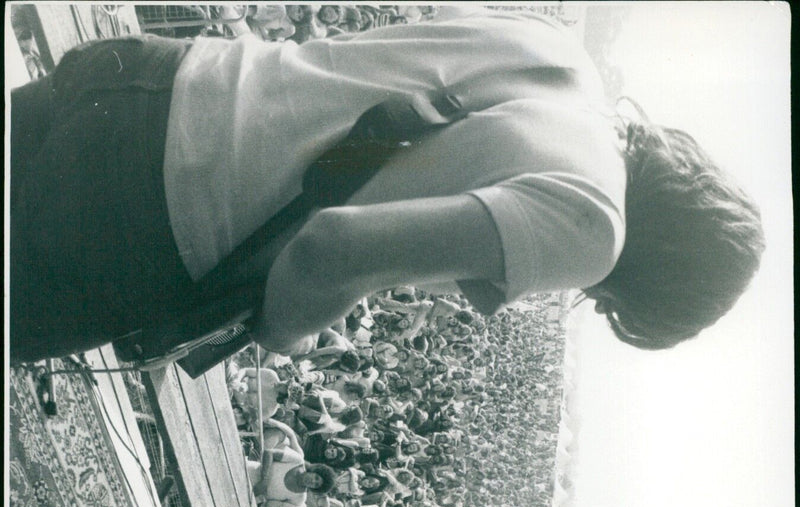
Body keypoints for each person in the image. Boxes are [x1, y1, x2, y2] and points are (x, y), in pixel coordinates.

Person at [10, 8, 764, 364]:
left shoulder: (559, 50)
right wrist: (287, 333)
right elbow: (331, 249)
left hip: (155, 79)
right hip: (155, 212)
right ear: (650, 274)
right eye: (609, 303)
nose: (589, 295)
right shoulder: (595, 227)